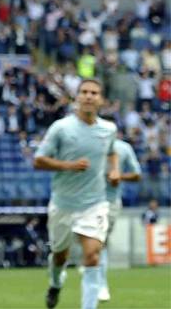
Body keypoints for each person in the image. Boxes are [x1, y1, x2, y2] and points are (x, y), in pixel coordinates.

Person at [34, 78, 119, 309]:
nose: (89, 96)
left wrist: (114, 171)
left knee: (92, 255)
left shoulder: (108, 129)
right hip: (63, 203)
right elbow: (38, 161)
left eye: (94, 92)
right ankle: (55, 282)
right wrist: (67, 166)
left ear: (101, 100)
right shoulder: (61, 128)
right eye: (84, 92)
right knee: (60, 255)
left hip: (95, 203)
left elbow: (112, 152)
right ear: (77, 97)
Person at [98, 137, 141, 302]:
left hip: (110, 201)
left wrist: (119, 176)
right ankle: (100, 281)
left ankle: (100, 281)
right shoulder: (88, 143)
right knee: (96, 241)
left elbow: (137, 174)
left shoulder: (123, 148)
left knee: (101, 240)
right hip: (86, 200)